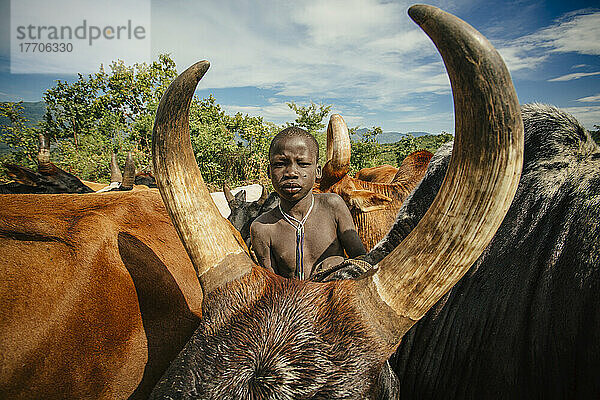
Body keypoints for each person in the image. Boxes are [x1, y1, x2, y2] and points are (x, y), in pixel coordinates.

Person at [250, 126, 366, 279]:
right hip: (293, 301)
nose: (291, 172)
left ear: (318, 172)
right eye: (280, 164)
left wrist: (337, 266)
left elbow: (362, 261)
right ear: (269, 172)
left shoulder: (333, 206)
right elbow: (272, 286)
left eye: (302, 164)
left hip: (338, 298)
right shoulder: (261, 228)